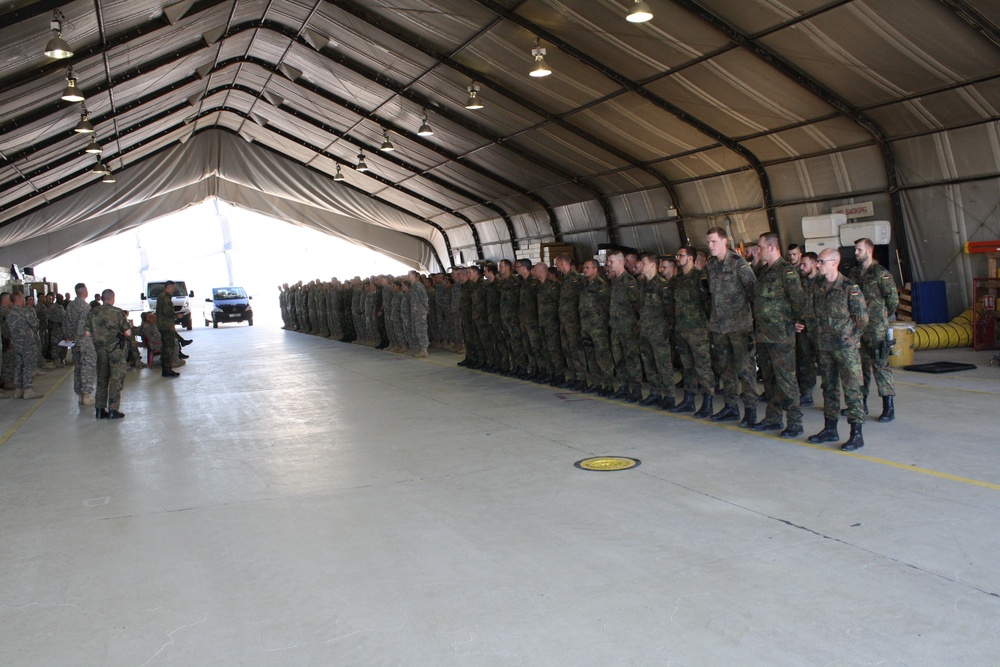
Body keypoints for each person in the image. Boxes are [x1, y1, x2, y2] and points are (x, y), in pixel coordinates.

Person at [807, 248, 869, 451]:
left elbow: (862, 319)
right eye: (817, 261)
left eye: (821, 261)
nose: (818, 265)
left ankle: (856, 434)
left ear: (834, 262)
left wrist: (850, 338)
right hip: (825, 346)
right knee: (829, 389)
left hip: (845, 348)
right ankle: (830, 428)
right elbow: (813, 311)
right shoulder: (816, 285)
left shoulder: (849, 287)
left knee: (852, 390)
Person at [751, 233, 805, 438]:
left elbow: (798, 300)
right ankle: (773, 418)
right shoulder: (764, 271)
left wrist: (797, 322)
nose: (758, 250)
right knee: (770, 379)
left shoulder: (787, 271)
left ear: (772, 247)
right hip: (764, 335)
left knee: (786, 380)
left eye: (761, 246)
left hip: (781, 335)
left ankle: (795, 421)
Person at [705, 227, 758, 426]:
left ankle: (751, 410)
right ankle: (731, 406)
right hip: (719, 327)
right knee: (725, 368)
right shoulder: (710, 266)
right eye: (708, 242)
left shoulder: (738, 264)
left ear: (724, 241)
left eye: (713, 241)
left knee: (746, 370)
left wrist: (753, 321)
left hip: (739, 327)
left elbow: (753, 292)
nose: (710, 245)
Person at [848, 238, 899, 423]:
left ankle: (888, 407)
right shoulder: (854, 273)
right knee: (859, 369)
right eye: (855, 250)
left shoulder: (881, 273)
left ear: (869, 250)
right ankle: (860, 404)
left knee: (880, 366)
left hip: (876, 328)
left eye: (859, 250)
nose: (856, 253)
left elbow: (892, 300)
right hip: (858, 328)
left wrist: (881, 316)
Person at [669, 246, 715, 416]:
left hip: (697, 330)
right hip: (682, 330)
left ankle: (708, 401)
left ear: (690, 258)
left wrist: (707, 326)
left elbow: (709, 304)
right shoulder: (678, 279)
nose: (677, 258)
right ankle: (689, 399)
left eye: (680, 255)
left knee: (703, 366)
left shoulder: (700, 277)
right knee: (687, 367)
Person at [85, 289, 131, 419]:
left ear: (102, 298)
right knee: (116, 379)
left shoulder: (93, 312)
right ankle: (113, 410)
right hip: (115, 350)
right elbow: (128, 333)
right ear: (112, 298)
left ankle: (100, 410)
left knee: (102, 378)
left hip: (100, 350)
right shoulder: (117, 312)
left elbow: (87, 333)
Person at [637, 253, 675, 409]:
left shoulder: (662, 285)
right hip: (645, 331)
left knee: (663, 364)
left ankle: (669, 395)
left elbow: (670, 310)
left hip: (659, 332)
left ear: (652, 265)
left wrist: (668, 328)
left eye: (644, 263)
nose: (641, 266)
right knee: (649, 363)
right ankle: (655, 392)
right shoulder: (642, 284)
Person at [606, 250, 642, 403]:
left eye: (611, 262)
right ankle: (623, 386)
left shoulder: (629, 282)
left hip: (628, 328)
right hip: (616, 327)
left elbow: (638, 305)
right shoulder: (615, 281)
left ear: (620, 262)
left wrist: (634, 324)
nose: (608, 264)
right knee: (619, 358)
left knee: (631, 358)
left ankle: (636, 389)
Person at [579, 259, 614, 396]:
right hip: (586, 326)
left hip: (598, 327)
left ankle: (608, 384)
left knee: (602, 355)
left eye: (587, 267)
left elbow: (606, 306)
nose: (585, 270)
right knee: (591, 356)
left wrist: (603, 323)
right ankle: (596, 382)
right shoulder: (585, 285)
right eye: (584, 267)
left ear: (595, 269)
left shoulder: (601, 285)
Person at [555, 254, 588, 391]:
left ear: (562, 263)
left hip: (574, 322)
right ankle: (574, 376)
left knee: (576, 350)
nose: (556, 266)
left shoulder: (577, 279)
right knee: (568, 349)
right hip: (565, 321)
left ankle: (582, 378)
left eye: (557, 263)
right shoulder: (564, 280)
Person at [65, 283, 97, 405]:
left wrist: (69, 337)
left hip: (73, 342)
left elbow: (67, 323)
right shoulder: (85, 307)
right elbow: (84, 327)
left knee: (78, 368)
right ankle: (87, 395)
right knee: (87, 367)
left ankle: (80, 395)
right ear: (84, 292)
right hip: (84, 342)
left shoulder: (70, 305)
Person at [8, 292, 42, 399]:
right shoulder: (23, 312)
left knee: (19, 366)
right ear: (17, 299)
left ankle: (18, 390)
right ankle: (28, 389)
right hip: (26, 343)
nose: (24, 300)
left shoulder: (10, 314)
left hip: (16, 343)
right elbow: (35, 323)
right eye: (22, 298)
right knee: (29, 366)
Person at [156, 280, 180, 377]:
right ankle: (167, 369)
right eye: (173, 288)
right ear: (169, 287)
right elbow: (167, 311)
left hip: (163, 325)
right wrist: (176, 315)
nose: (173, 291)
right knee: (169, 348)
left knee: (166, 347)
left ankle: (166, 369)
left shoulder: (161, 296)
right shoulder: (165, 297)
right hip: (166, 326)